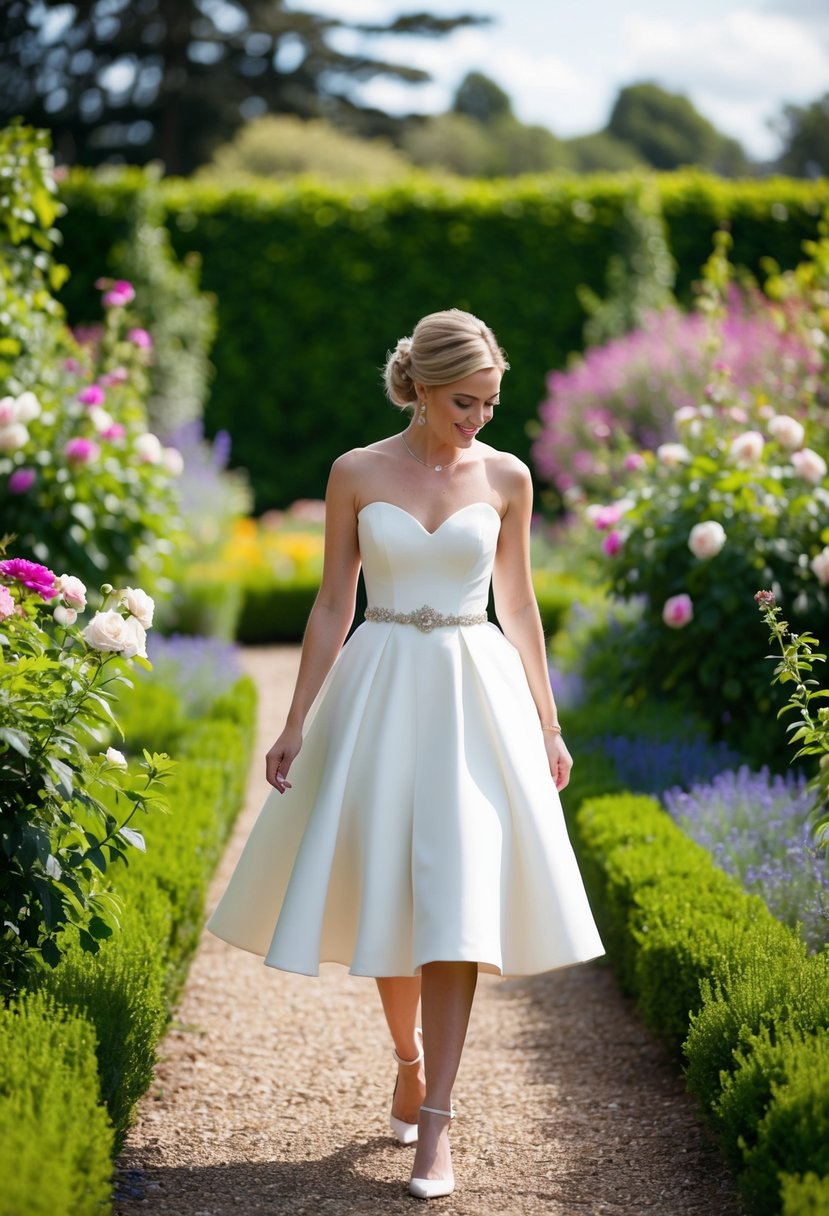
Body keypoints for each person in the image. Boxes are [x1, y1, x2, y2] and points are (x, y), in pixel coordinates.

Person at [207, 308, 604, 1200]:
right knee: (390, 894)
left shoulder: (506, 478)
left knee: (456, 901)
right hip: (379, 687)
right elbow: (327, 608)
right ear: (420, 387)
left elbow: (522, 606)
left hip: (474, 695)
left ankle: (437, 1130)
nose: (479, 419)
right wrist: (296, 719)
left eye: (491, 402)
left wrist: (548, 722)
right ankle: (407, 1058)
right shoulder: (355, 471)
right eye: (465, 401)